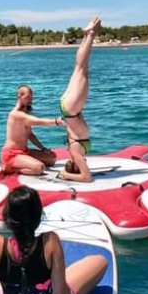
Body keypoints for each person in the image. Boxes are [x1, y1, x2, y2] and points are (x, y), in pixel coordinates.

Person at [57, 17, 101, 183]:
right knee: (80, 68)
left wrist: (65, 175)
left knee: (82, 69)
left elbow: (87, 178)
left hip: (71, 109)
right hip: (71, 108)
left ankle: (89, 34)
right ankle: (87, 35)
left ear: (76, 165)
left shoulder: (76, 152)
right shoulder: (78, 152)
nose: (85, 164)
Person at [1, 85, 66, 174]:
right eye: (28, 97)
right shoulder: (16, 114)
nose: (30, 100)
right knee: (39, 168)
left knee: (52, 158)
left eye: (31, 97)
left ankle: (26, 162)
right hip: (12, 154)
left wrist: (42, 148)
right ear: (19, 96)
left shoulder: (24, 114)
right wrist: (56, 122)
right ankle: (10, 169)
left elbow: (30, 135)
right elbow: (38, 121)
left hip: (24, 151)